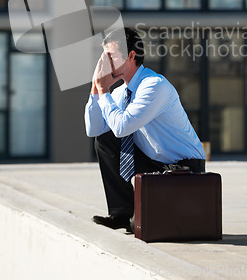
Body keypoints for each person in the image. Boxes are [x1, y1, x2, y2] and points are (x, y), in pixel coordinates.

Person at [84, 27, 205, 232]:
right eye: (103, 57)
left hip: (184, 167)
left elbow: (122, 127)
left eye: (111, 56)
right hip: (154, 162)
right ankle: (121, 214)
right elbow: (94, 129)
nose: (105, 64)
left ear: (131, 56)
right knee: (105, 139)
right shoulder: (122, 91)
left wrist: (104, 90)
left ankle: (135, 213)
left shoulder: (153, 86)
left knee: (116, 130)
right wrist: (96, 89)